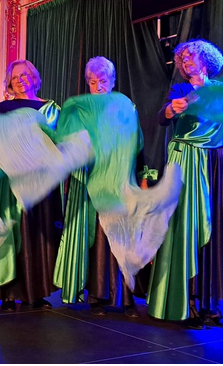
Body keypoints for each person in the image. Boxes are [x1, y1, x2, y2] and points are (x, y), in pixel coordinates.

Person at [146, 39, 223, 329]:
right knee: (188, 229)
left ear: (206, 60)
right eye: (183, 57)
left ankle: (209, 304)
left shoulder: (221, 92)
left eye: (192, 55)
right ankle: (186, 302)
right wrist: (171, 110)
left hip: (216, 165)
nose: (186, 60)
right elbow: (162, 118)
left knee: (215, 230)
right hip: (188, 162)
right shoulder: (180, 90)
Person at [54, 56, 145, 317]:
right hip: (89, 180)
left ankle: (126, 297)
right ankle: (97, 297)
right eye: (92, 82)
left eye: (102, 80)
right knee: (95, 237)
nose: (98, 86)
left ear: (112, 81)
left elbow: (136, 142)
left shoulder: (124, 105)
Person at [0, 60, 63, 311]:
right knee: (13, 230)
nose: (20, 80)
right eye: (15, 77)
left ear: (34, 77)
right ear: (10, 83)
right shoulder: (3, 108)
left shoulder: (52, 109)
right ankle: (8, 292)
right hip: (12, 179)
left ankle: (35, 292)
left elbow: (60, 141)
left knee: (38, 232)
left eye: (24, 75)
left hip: (43, 180)